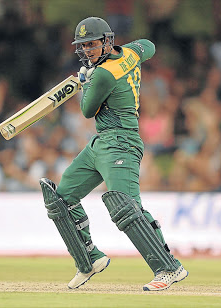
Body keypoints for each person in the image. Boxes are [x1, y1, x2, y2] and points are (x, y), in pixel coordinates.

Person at [39, 17, 188, 291]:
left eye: (92, 45)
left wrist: (85, 82)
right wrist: (121, 56)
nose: (87, 52)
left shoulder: (103, 74)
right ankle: (89, 260)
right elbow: (149, 46)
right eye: (83, 46)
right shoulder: (130, 53)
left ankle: (169, 268)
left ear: (107, 41)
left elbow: (86, 110)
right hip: (101, 142)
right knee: (61, 198)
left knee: (126, 207)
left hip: (122, 143)